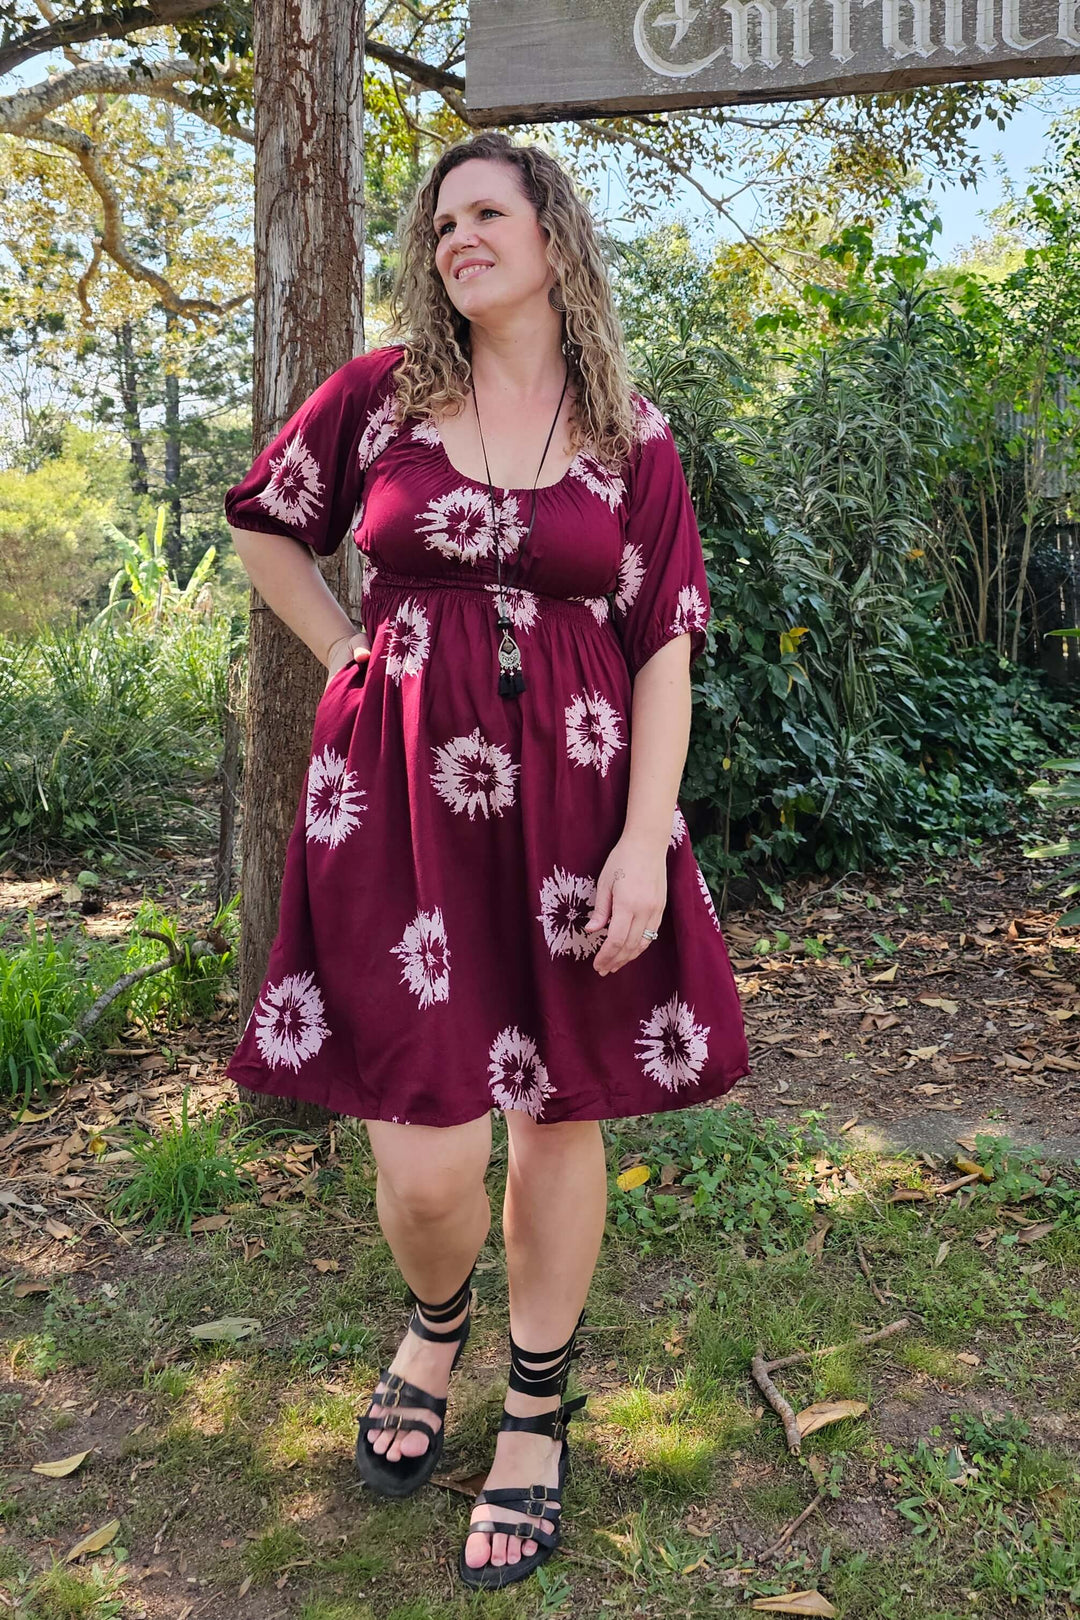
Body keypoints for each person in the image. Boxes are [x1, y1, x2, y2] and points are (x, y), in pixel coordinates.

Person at [223, 130, 750, 1591]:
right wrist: (347, 657)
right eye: (441, 220)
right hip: (397, 805)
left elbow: (665, 649)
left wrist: (648, 837)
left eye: (487, 213)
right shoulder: (383, 398)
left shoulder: (631, 433)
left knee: (558, 1111)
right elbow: (271, 527)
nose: (458, 237)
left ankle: (533, 1405)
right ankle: (435, 1314)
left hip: (579, 811)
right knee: (428, 1149)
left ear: (551, 235)